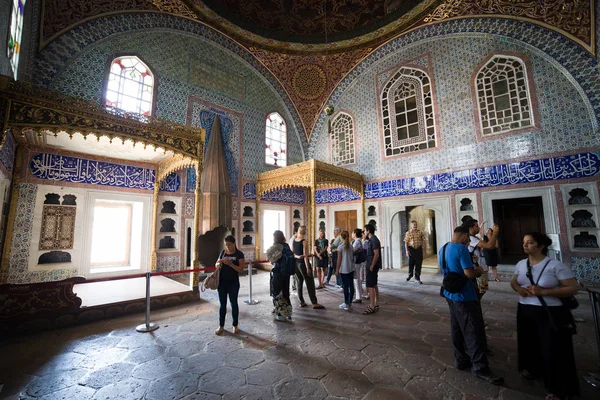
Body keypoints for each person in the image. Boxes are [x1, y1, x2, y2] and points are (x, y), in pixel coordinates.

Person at [510, 232, 579, 400]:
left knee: (554, 349)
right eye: (524, 242)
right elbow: (514, 281)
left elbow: (572, 288)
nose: (525, 245)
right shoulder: (521, 264)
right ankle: (534, 370)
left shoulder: (555, 266)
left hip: (550, 312)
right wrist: (519, 289)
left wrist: (544, 291)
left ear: (541, 246)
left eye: (530, 243)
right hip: (526, 309)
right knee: (529, 344)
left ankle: (558, 388)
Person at [440, 226, 504, 385]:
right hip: (464, 296)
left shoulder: (443, 247)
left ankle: (461, 360)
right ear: (461, 235)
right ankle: (480, 368)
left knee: (456, 328)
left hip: (449, 294)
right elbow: (468, 273)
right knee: (473, 331)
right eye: (467, 238)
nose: (468, 241)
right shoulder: (460, 249)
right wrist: (479, 270)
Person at [214, 235, 245, 335]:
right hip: (222, 283)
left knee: (233, 303)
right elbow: (216, 263)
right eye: (226, 245)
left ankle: (235, 325)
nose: (228, 247)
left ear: (234, 243)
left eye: (230, 245)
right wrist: (218, 264)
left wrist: (230, 264)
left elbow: (241, 269)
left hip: (233, 283)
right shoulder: (223, 252)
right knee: (222, 305)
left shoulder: (239, 254)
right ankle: (221, 326)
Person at [462, 218, 499, 298]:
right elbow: (490, 246)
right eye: (476, 226)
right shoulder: (471, 239)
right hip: (477, 268)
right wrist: (495, 233)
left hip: (481, 266)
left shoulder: (474, 238)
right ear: (471, 228)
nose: (478, 227)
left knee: (482, 289)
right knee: (480, 290)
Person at [293, 225, 325, 309]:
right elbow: (306, 256)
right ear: (305, 231)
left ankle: (301, 301)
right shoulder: (304, 241)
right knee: (310, 283)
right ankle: (314, 303)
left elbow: (292, 253)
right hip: (303, 264)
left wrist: (297, 256)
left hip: (296, 263)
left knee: (299, 283)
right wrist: (308, 268)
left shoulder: (294, 240)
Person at [266, 230, 293, 322]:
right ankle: (288, 312)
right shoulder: (286, 246)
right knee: (285, 291)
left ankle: (280, 313)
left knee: (277, 291)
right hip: (286, 272)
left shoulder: (276, 247)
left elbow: (271, 260)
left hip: (278, 272)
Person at [363, 224, 381, 315]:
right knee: (374, 284)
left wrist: (372, 265)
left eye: (365, 231)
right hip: (372, 264)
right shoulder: (371, 239)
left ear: (368, 231)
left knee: (370, 285)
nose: (364, 232)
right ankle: (375, 303)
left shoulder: (373, 239)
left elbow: (376, 254)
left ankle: (372, 306)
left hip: (372, 265)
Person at [336, 230, 355, 311]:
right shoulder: (351, 246)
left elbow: (339, 260)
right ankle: (349, 303)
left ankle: (346, 303)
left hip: (344, 270)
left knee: (345, 287)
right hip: (351, 268)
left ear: (341, 237)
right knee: (351, 286)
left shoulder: (340, 247)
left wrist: (337, 270)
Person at [352, 228, 365, 303]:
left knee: (356, 279)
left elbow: (353, 251)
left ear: (355, 233)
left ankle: (358, 297)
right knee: (357, 279)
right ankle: (358, 296)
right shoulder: (358, 241)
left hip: (357, 262)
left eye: (353, 233)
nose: (352, 234)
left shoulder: (357, 241)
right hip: (358, 262)